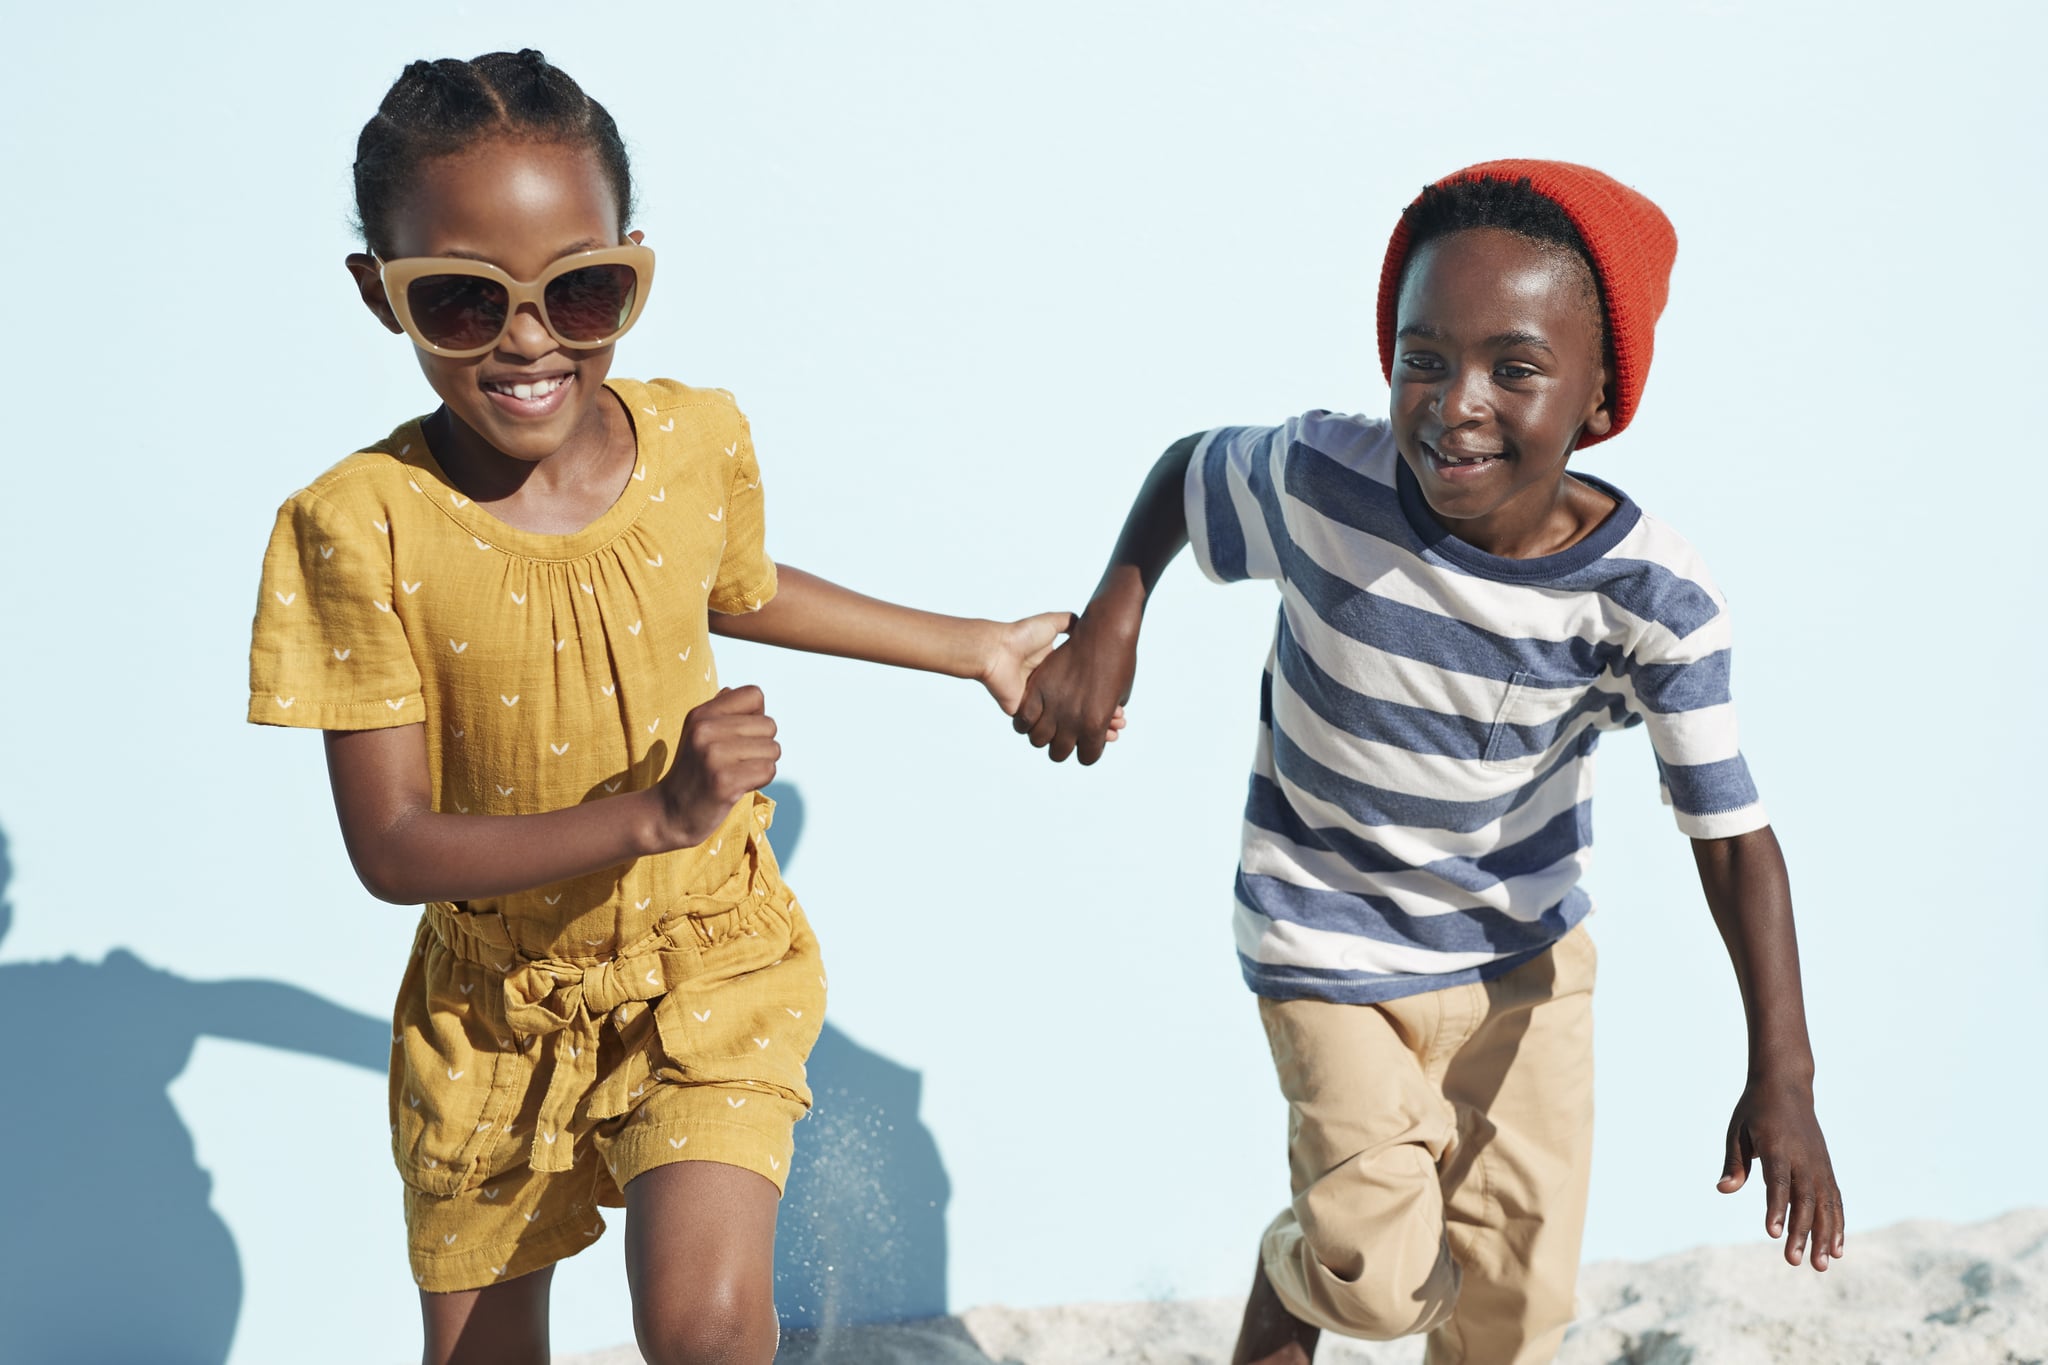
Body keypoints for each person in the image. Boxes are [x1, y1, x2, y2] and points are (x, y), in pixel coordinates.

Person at [245, 50, 1113, 1365]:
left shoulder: (697, 439)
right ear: (382, 294)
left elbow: (731, 585)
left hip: (708, 957)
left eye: (582, 291)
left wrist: (976, 645)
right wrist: (654, 812)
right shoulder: (354, 530)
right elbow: (394, 846)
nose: (532, 339)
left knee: (705, 1331)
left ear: (635, 263)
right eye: (466, 304)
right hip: (494, 1012)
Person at [1012, 160, 1843, 1365]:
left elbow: (1731, 841)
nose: (1454, 404)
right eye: (1421, 358)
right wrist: (1112, 621)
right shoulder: (1323, 484)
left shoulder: (1650, 601)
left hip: (1526, 963)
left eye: (1513, 368)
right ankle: (1292, 1277)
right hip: (1324, 942)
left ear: (1599, 394)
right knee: (1378, 1284)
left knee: (1513, 1313)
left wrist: (1786, 1077)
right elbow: (1190, 474)